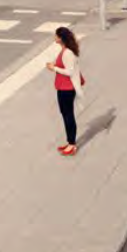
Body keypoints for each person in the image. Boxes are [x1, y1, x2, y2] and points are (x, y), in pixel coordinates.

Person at [45, 27, 86, 156]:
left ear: (61, 38)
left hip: (67, 89)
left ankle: (72, 144)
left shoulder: (67, 52)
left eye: (56, 35)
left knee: (68, 116)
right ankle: (70, 142)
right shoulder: (64, 50)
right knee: (65, 114)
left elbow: (69, 72)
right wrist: (54, 65)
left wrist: (54, 68)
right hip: (62, 88)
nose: (54, 37)